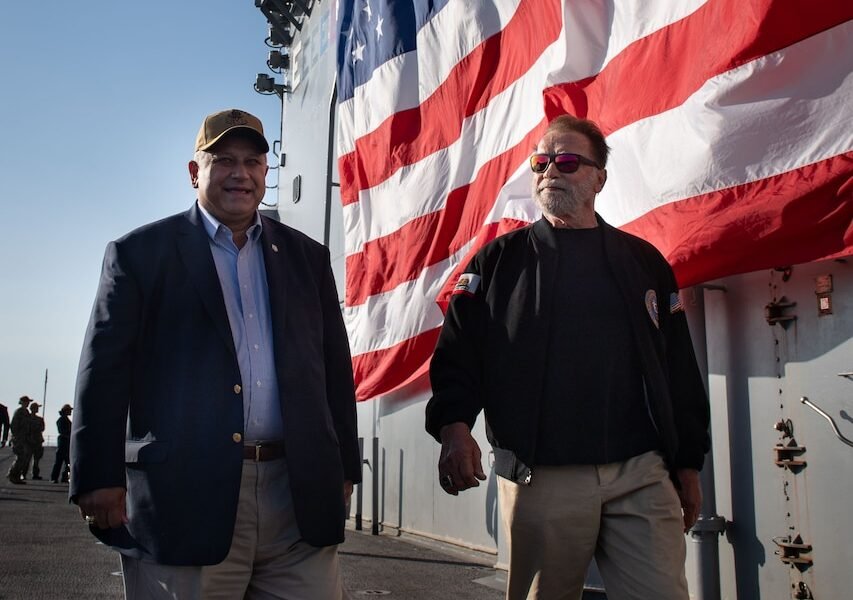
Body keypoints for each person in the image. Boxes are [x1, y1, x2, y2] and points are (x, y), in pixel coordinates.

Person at [70, 108, 361, 600]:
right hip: (184, 496)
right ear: (194, 172)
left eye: (252, 162)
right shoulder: (140, 255)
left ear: (266, 174)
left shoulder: (307, 258)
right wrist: (98, 476)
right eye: (223, 160)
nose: (240, 174)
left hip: (296, 496)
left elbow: (332, 372)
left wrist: (345, 469)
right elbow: (104, 372)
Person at [426, 114, 711, 600]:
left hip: (641, 472)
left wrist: (687, 465)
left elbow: (678, 369)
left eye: (568, 161)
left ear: (600, 177)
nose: (551, 171)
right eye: (542, 162)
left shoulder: (644, 263)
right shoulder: (496, 264)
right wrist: (454, 428)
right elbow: (458, 357)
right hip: (544, 476)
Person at [7, 396, 33, 484]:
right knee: (20, 457)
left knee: (23, 458)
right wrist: (16, 436)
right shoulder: (19, 412)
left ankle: (16, 475)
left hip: (24, 438)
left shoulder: (26, 412)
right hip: (19, 438)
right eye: (26, 401)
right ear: (22, 402)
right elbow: (13, 425)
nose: (28, 403)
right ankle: (13, 474)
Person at [51, 404, 73, 483]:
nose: (70, 411)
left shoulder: (66, 420)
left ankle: (64, 477)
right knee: (59, 462)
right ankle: (54, 477)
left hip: (66, 442)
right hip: (63, 442)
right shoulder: (61, 420)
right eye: (69, 410)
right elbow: (61, 431)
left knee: (67, 462)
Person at [27, 401, 46, 480]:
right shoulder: (27, 418)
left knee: (36, 459)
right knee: (27, 459)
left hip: (38, 440)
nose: (37, 409)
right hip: (29, 440)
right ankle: (23, 473)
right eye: (36, 408)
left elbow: (42, 428)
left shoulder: (40, 419)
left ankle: (35, 474)